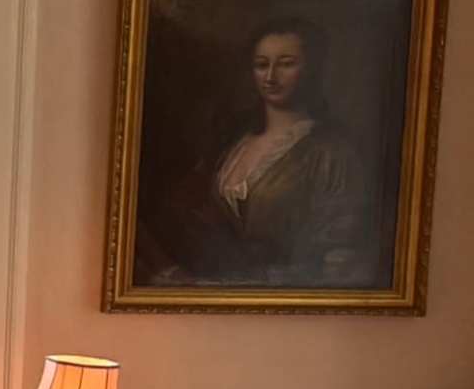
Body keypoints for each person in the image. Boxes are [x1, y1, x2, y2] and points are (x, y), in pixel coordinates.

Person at [144, 16, 386, 290]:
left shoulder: (333, 153)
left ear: (312, 68)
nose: (271, 77)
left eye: (286, 64)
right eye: (261, 65)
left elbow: (339, 260)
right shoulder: (232, 142)